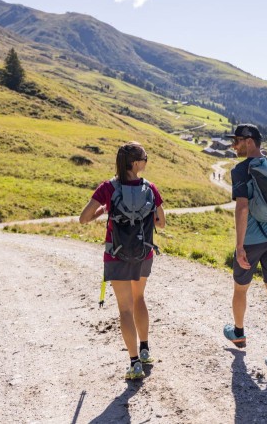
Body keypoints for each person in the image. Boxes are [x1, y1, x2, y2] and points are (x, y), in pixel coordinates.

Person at [79, 142, 166, 380]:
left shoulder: (108, 187)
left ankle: (134, 363)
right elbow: (161, 223)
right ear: (136, 163)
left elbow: (83, 219)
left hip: (116, 254)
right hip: (143, 252)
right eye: (145, 158)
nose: (146, 162)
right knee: (140, 299)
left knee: (124, 308)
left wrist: (103, 210)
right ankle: (146, 349)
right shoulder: (150, 188)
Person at [222, 124, 267, 371]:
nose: (234, 146)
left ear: (250, 141)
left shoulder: (242, 170)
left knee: (240, 288)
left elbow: (242, 208)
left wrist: (240, 246)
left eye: (237, 141)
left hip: (252, 241)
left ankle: (239, 332)